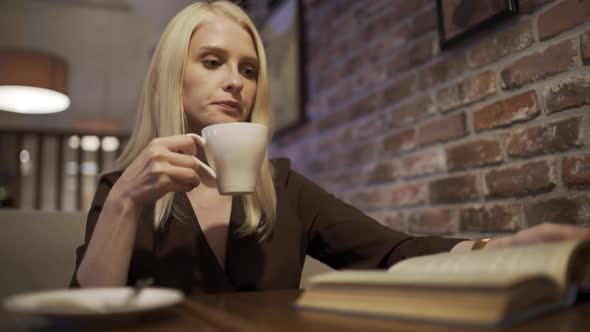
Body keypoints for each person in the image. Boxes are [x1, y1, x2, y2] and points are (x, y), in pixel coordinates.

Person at [71, 0, 590, 293]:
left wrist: (497, 249)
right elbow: (82, 313)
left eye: (248, 70)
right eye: (212, 61)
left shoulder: (281, 186)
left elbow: (393, 251)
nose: (236, 82)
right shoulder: (125, 190)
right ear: (171, 76)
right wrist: (124, 204)